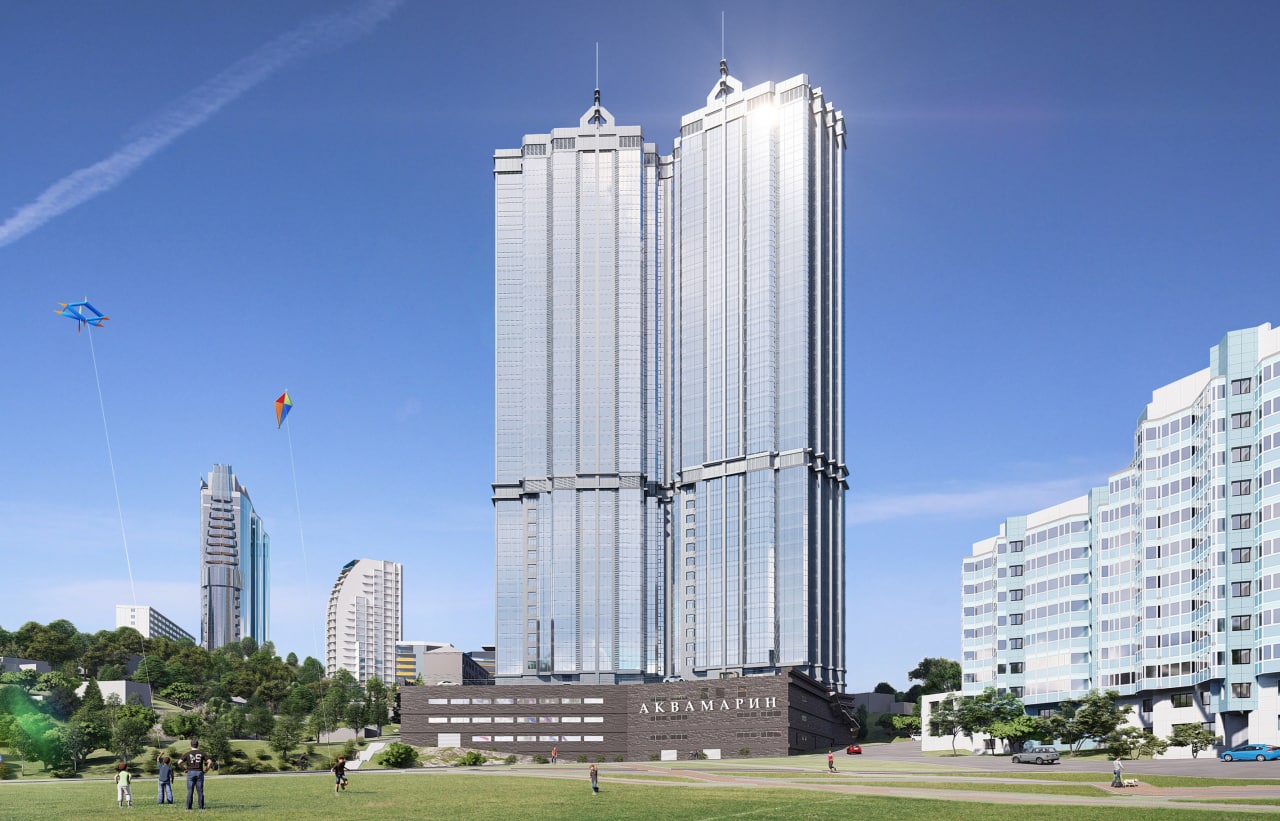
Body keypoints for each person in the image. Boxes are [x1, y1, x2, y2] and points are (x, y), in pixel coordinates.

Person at [179, 739, 210, 810]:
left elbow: (179, 762)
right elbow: (210, 762)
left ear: (191, 745)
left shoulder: (187, 754)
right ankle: (201, 807)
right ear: (197, 745)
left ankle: (189, 807)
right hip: (199, 772)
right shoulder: (202, 753)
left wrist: (184, 769)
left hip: (190, 772)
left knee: (190, 791)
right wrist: (206, 770)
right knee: (200, 791)